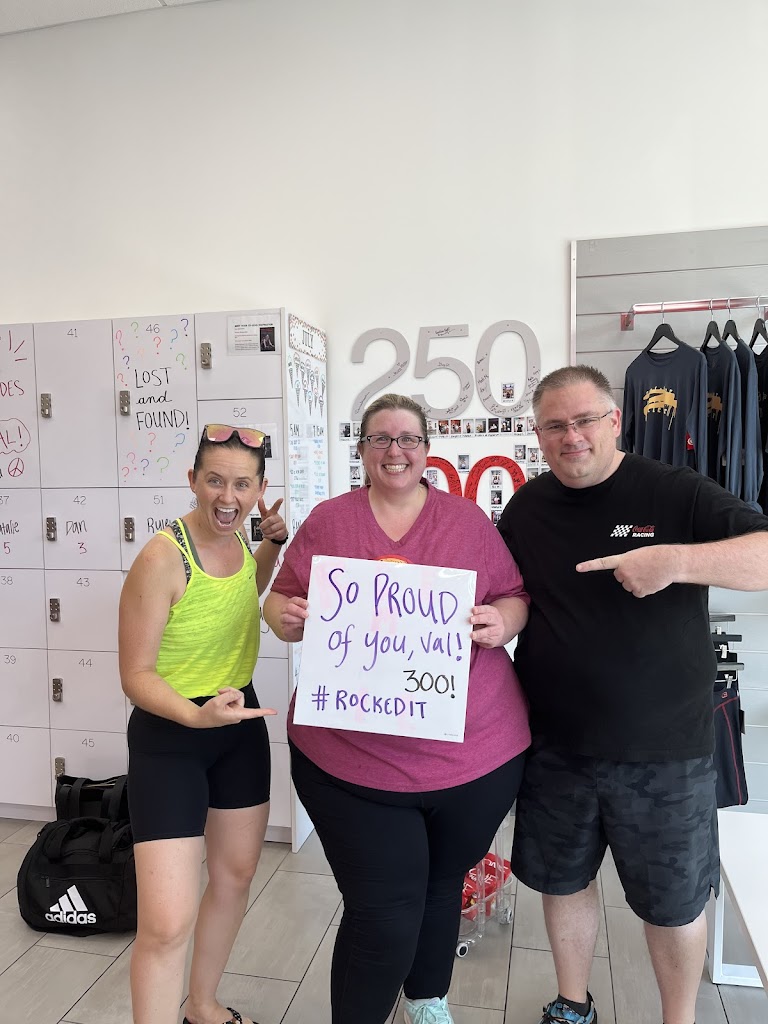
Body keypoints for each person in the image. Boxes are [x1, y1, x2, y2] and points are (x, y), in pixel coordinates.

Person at [497, 366, 768, 1024]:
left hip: (665, 753)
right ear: (538, 434)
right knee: (563, 882)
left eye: (585, 420)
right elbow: (513, 595)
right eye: (555, 425)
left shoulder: (674, 491)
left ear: (615, 420)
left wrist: (676, 561)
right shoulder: (526, 509)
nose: (572, 436)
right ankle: (572, 1005)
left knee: (673, 905)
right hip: (554, 745)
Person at [263, 393, 531, 1024]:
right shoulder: (329, 521)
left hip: (474, 758)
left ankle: (427, 999)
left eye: (408, 438)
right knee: (384, 913)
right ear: (362, 450)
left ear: (426, 450)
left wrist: (503, 622)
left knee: (440, 888)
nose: (395, 451)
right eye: (380, 439)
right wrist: (286, 618)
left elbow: (514, 594)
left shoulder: (467, 522)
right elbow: (279, 599)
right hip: (350, 763)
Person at [119, 423, 289, 1024]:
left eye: (242, 485)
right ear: (192, 480)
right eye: (214, 481)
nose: (227, 496)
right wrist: (195, 716)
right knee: (166, 922)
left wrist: (273, 544)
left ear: (259, 488)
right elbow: (135, 675)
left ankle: (203, 1005)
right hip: (172, 736)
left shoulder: (240, 539)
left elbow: (245, 591)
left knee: (235, 877)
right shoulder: (162, 557)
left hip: (238, 725)